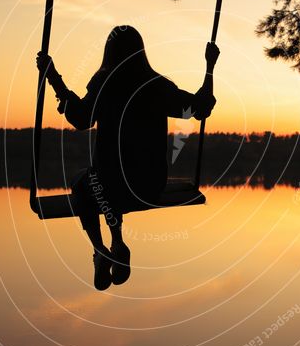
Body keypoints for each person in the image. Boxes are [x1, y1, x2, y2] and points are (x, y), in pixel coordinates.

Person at [36, 25, 218, 290]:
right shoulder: (157, 86)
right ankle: (117, 242)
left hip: (111, 185)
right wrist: (209, 65)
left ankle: (102, 249)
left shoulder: (104, 82)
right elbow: (201, 108)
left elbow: (81, 118)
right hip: (149, 185)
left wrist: (54, 78)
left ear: (109, 52)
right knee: (107, 179)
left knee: (85, 184)